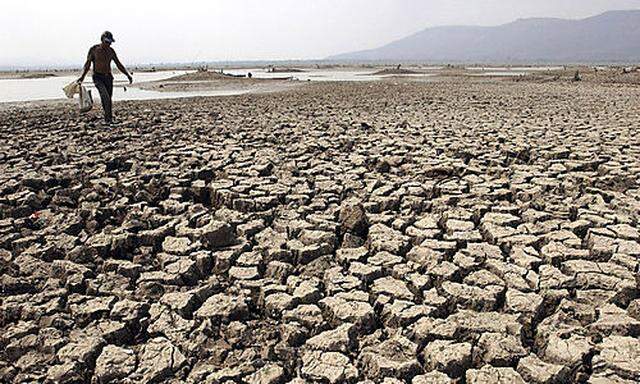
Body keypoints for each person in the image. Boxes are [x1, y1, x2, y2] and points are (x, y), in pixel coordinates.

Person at [77, 31, 132, 124]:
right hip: (98, 77)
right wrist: (82, 77)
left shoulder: (111, 51)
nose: (108, 44)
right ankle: (108, 119)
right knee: (105, 96)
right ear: (102, 40)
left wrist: (127, 75)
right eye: (107, 42)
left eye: (110, 42)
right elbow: (87, 64)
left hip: (108, 77)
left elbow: (118, 64)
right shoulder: (94, 50)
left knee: (108, 99)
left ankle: (108, 118)